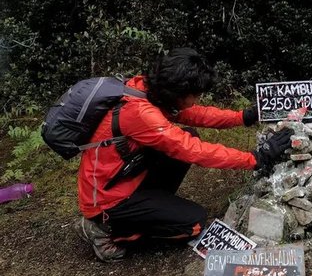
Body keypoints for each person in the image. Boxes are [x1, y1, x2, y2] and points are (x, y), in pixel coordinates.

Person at [73, 47, 293, 262]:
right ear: (178, 91)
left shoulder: (146, 89)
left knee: (189, 133)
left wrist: (243, 116)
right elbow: (194, 151)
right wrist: (256, 158)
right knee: (193, 223)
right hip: (108, 200)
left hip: (122, 177)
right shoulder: (141, 113)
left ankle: (150, 207)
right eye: (195, 94)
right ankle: (105, 230)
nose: (197, 99)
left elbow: (195, 114)